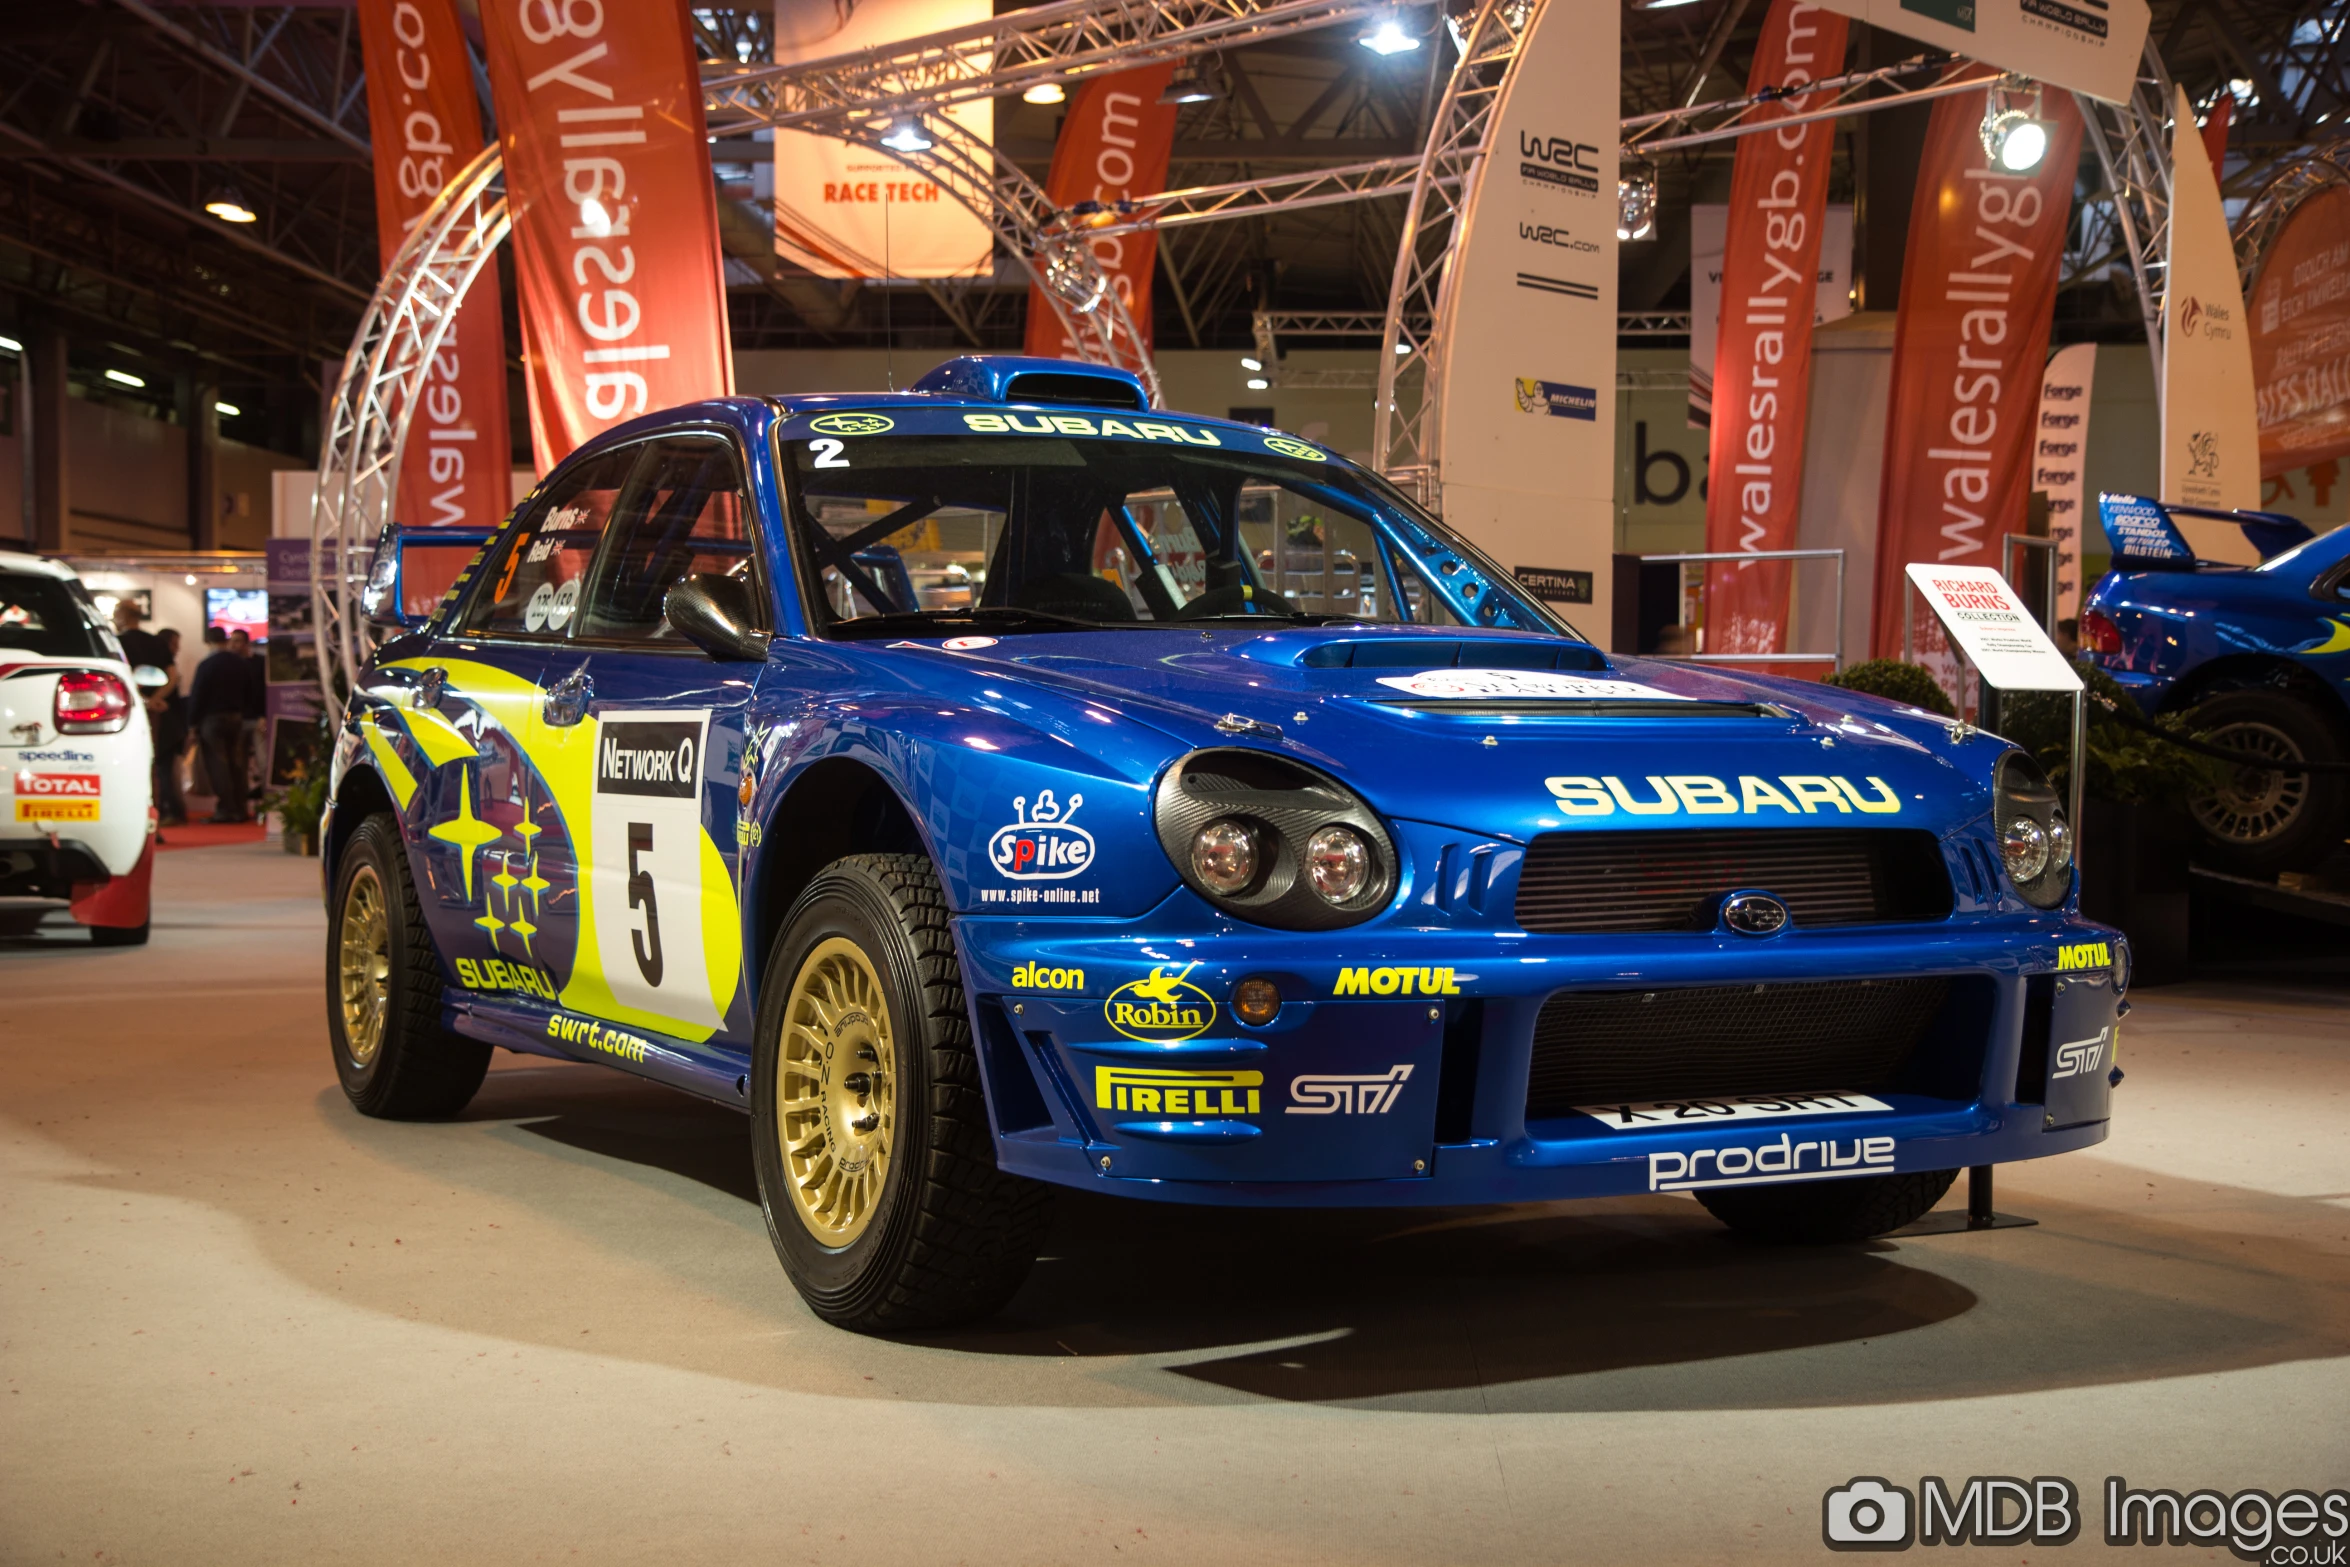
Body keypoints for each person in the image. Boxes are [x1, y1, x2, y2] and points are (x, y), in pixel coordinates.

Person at [189, 627, 259, 822]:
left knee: (218, 764)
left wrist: (192, 723)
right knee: (237, 765)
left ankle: (226, 809)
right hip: (236, 718)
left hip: (212, 720)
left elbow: (198, 695)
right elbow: (250, 691)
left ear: (208, 641)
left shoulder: (207, 665)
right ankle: (240, 807)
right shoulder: (240, 663)